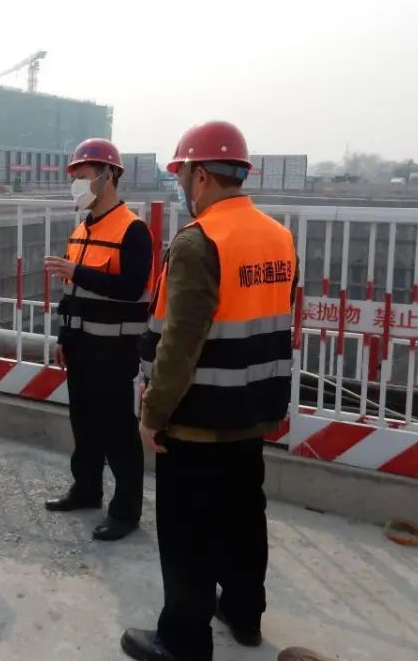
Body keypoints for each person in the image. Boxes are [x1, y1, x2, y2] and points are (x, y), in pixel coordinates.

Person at [120, 120, 298, 661]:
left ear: (199, 175)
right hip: (253, 409)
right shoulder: (278, 236)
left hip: (198, 417)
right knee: (244, 516)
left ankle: (183, 641)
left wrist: (153, 413)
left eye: (182, 175)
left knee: (187, 531)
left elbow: (179, 343)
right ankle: (244, 614)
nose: (180, 186)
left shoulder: (199, 242)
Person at [43, 138, 152, 541]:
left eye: (83, 176)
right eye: (74, 177)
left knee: (118, 431)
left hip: (115, 350)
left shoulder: (132, 230)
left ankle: (126, 510)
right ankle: (86, 489)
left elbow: (131, 287)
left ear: (109, 177)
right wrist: (64, 335)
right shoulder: (81, 230)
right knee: (84, 425)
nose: (77, 184)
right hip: (81, 347)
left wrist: (76, 271)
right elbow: (72, 293)